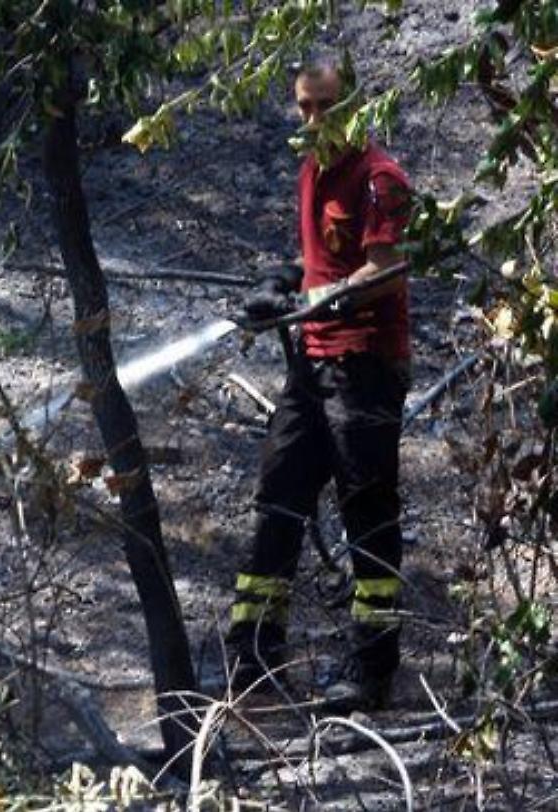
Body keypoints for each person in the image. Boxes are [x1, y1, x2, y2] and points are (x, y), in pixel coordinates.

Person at [226, 64, 412, 711]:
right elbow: (318, 264)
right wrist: (279, 285)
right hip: (311, 369)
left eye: (325, 106)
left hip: (364, 369)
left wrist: (322, 299)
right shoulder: (313, 171)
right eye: (303, 108)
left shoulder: (379, 177)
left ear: (355, 104)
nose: (313, 121)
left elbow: (385, 273)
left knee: (368, 517)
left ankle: (372, 671)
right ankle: (253, 656)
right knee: (278, 497)